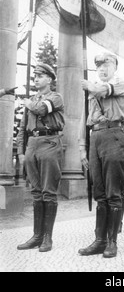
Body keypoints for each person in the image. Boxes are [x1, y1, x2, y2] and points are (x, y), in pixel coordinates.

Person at [78, 51, 124, 258]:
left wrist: (90, 86)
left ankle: (112, 242)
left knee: (114, 192)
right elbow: (85, 119)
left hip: (114, 135)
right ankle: (100, 240)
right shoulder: (92, 90)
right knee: (99, 192)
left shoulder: (119, 85)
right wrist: (82, 146)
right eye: (98, 65)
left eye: (107, 65)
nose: (102, 68)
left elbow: (101, 90)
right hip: (96, 137)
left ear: (115, 67)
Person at [16, 63, 64, 252]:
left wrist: (28, 103)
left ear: (50, 79)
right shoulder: (33, 99)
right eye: (35, 75)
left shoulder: (55, 97)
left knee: (48, 192)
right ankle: (36, 236)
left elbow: (42, 110)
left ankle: (47, 238)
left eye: (41, 75)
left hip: (50, 142)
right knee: (36, 192)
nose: (36, 79)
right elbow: (22, 129)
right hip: (32, 144)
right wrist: (21, 153)